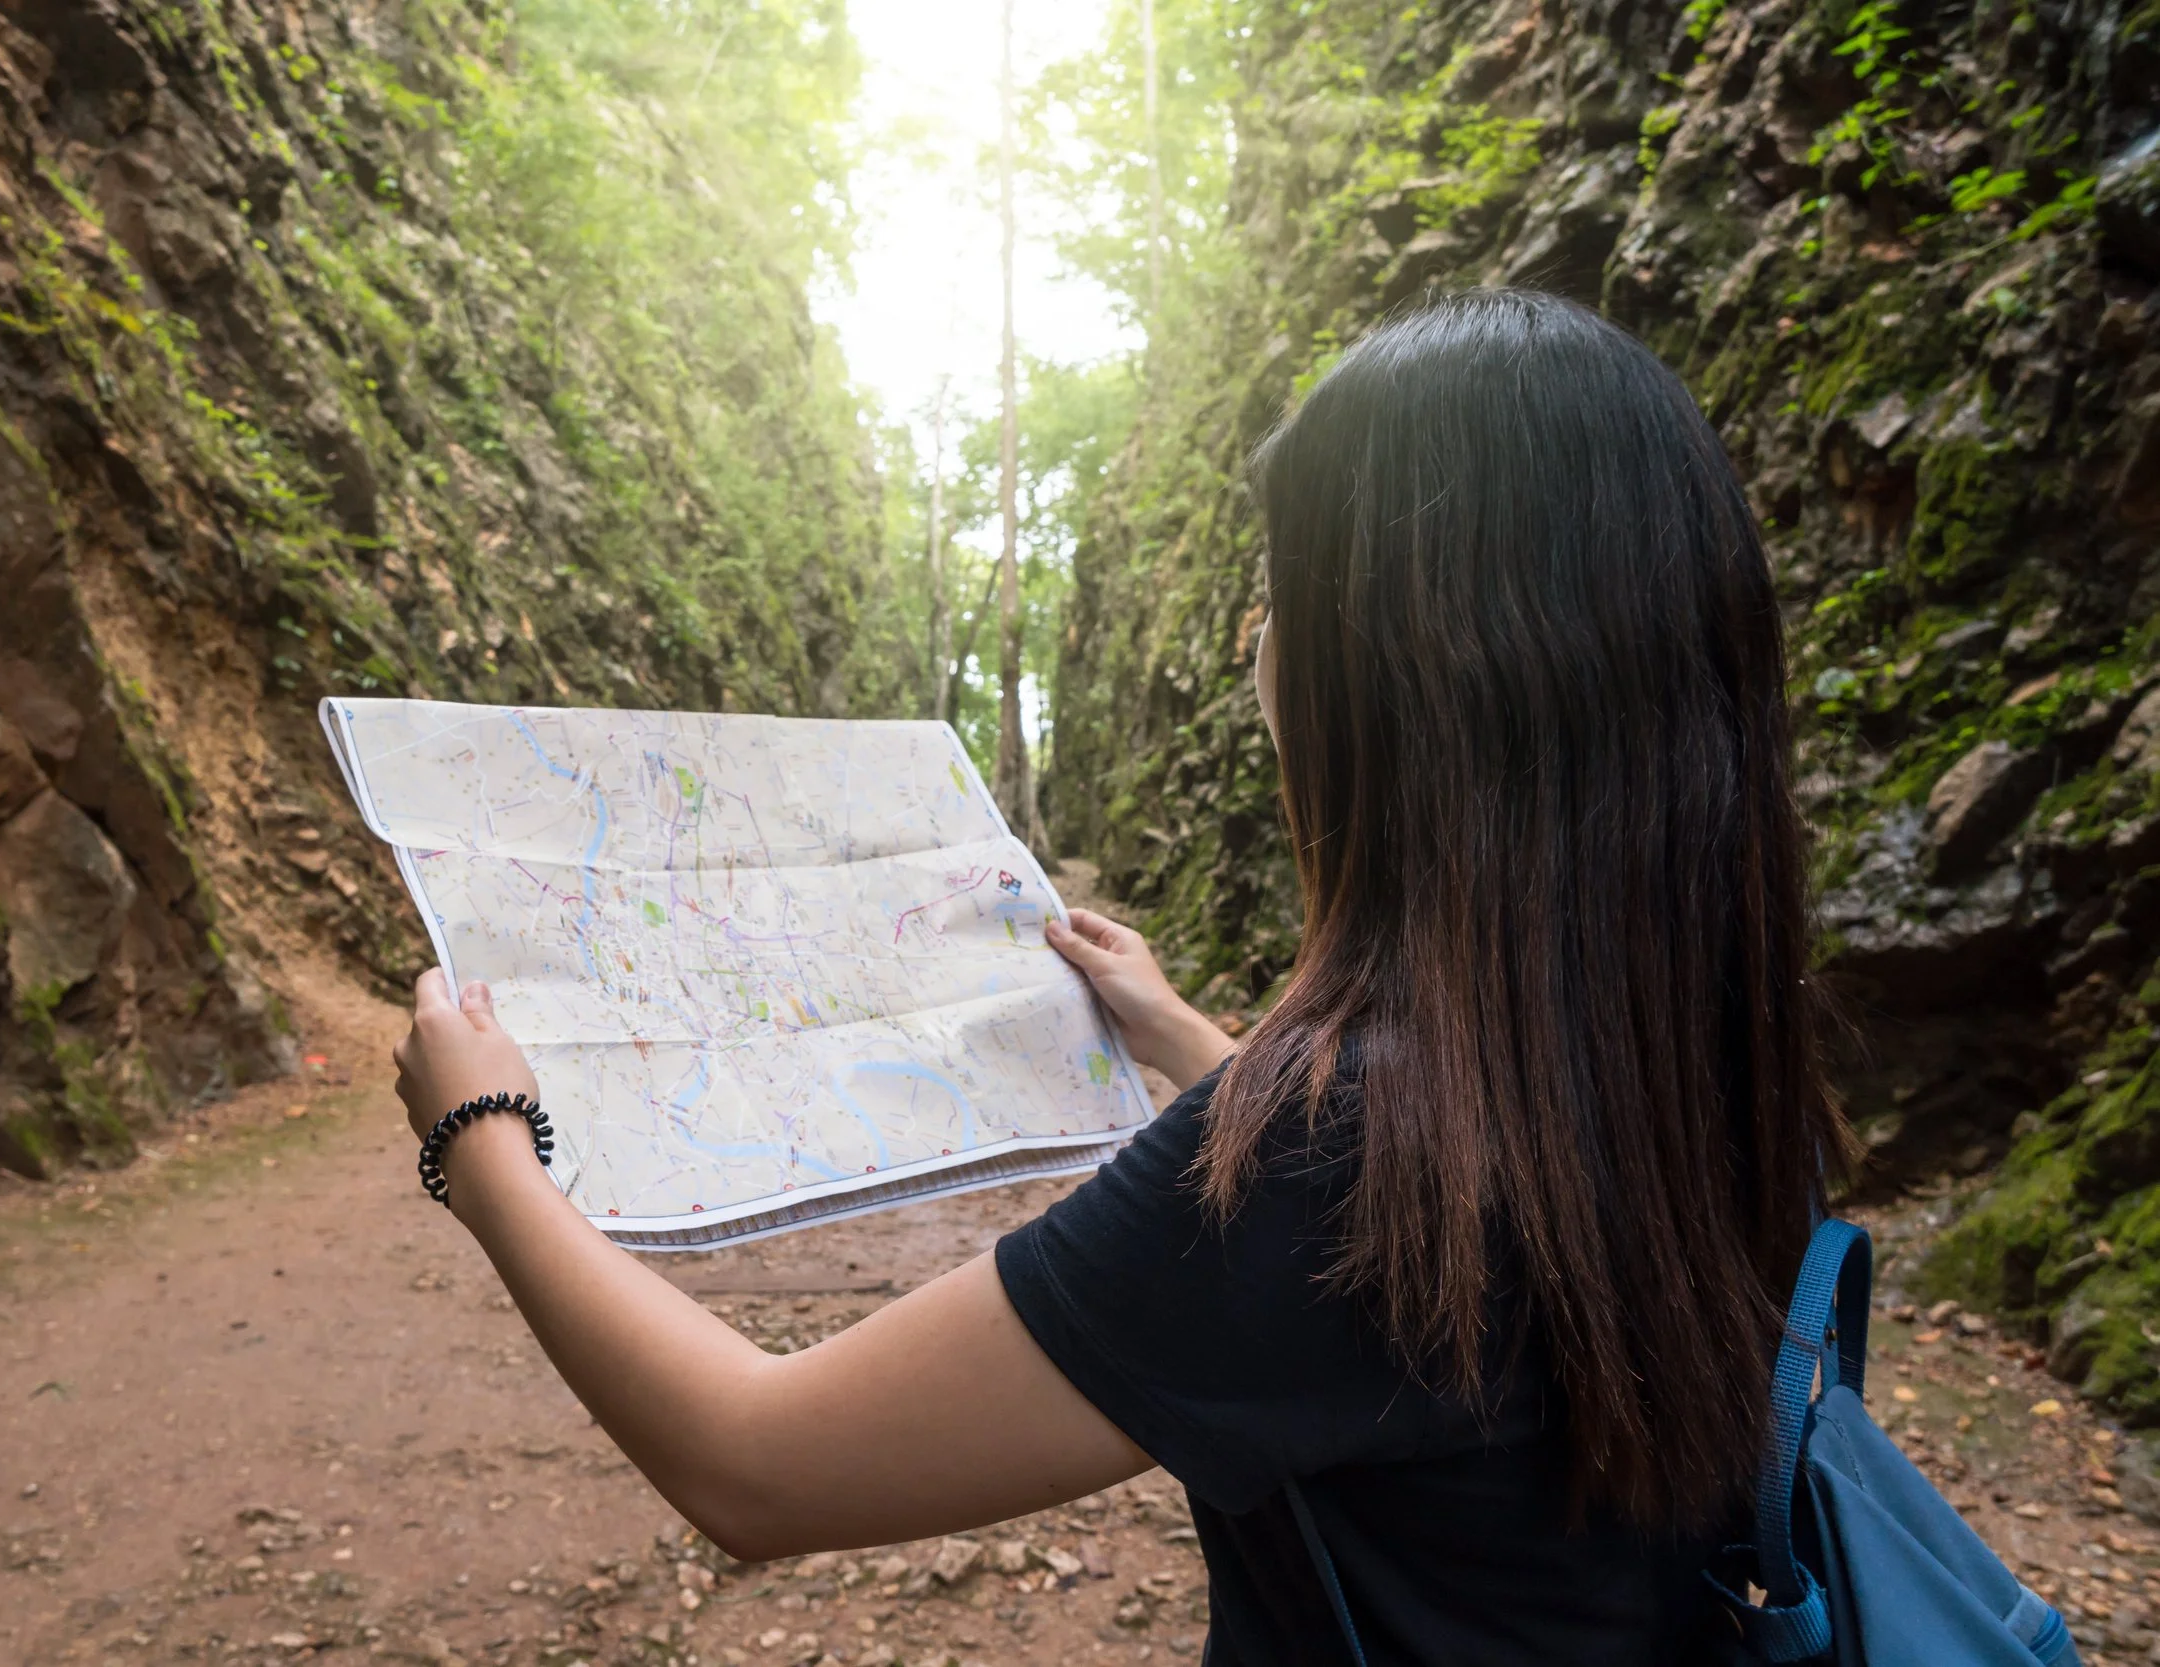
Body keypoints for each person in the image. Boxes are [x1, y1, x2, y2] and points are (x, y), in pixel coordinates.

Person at [389, 288, 1854, 1666]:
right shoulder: (1699, 1052)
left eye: (1277, 607)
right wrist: (1184, 1039)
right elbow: (1452, 1244)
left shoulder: (1332, 1155)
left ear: (1397, 679)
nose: (1260, 651)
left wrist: (489, 1143)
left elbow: (756, 1460)